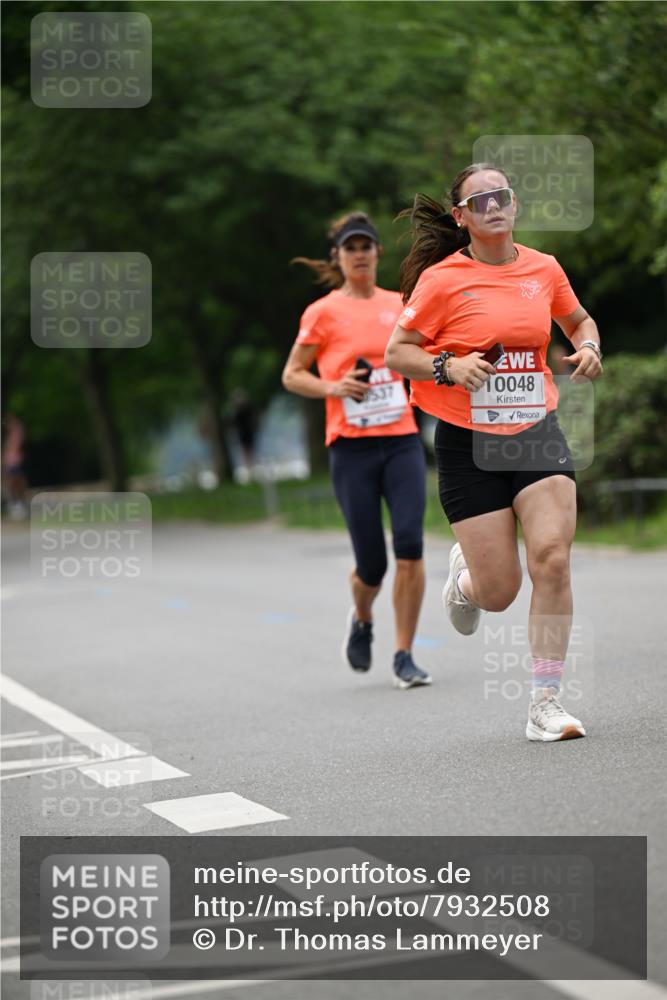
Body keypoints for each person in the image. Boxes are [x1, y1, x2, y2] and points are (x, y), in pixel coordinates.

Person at [385, 164, 603, 738]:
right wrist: (448, 366)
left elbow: (578, 320)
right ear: (461, 217)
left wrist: (589, 347)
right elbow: (397, 352)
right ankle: (466, 582)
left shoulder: (543, 268)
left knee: (551, 557)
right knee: (499, 591)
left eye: (502, 195)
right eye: (480, 200)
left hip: (536, 430)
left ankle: (545, 702)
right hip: (468, 442)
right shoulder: (442, 281)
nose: (495, 206)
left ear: (515, 204)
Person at [282, 212, 431, 689]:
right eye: (351, 247)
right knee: (372, 565)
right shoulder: (322, 313)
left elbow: (424, 354)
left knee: (409, 546)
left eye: (367, 246)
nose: (360, 254)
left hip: (402, 442)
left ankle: (404, 655)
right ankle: (362, 617)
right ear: (338, 256)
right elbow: (292, 374)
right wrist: (334, 387)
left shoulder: (401, 304)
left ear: (377, 253)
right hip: (351, 449)